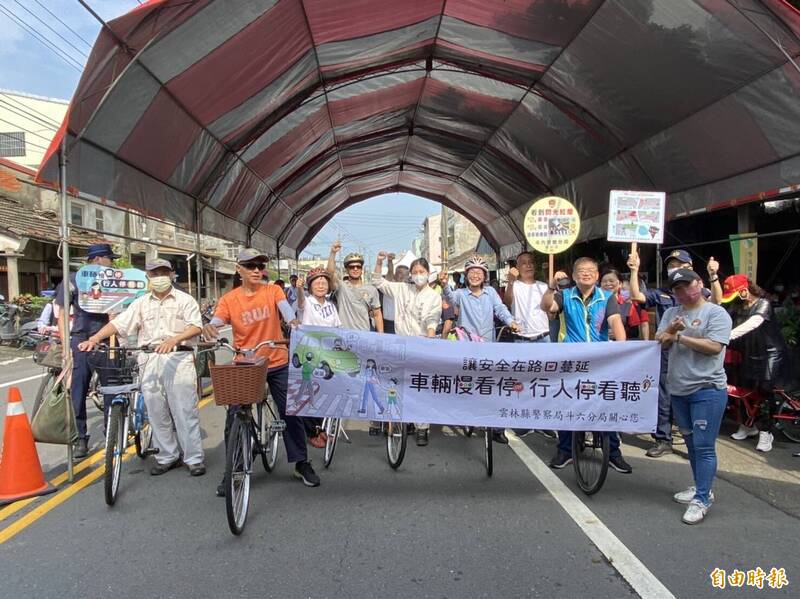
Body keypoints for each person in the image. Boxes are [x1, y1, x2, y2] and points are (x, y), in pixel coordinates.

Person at [203, 249, 319, 490]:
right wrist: (210, 328)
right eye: (250, 266)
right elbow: (217, 321)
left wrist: (292, 322)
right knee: (234, 415)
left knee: (291, 410)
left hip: (276, 359)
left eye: (260, 265)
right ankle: (233, 468)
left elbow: (286, 311)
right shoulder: (229, 299)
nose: (257, 270)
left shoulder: (272, 290)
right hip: (245, 364)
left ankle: (301, 462)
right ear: (239, 269)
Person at [78, 259, 206, 476]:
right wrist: (95, 337)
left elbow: (196, 327)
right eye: (154, 273)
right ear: (148, 277)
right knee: (156, 410)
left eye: (164, 272)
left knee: (184, 409)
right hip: (149, 359)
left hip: (178, 358)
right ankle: (167, 456)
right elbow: (119, 324)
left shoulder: (186, 300)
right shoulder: (141, 303)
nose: (159, 277)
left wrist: (174, 340)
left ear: (172, 275)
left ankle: (193, 458)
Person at [541, 257, 632, 474]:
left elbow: (615, 323)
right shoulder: (565, 295)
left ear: (597, 275)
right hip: (571, 360)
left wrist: (622, 350)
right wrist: (551, 286)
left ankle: (613, 453)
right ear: (573, 276)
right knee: (566, 404)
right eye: (581, 270)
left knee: (605, 404)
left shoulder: (607, 297)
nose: (586, 273)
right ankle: (565, 450)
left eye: (591, 270)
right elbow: (548, 306)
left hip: (600, 361)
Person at [655, 268, 732, 525]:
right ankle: (701, 486)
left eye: (687, 285)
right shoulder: (670, 313)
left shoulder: (715, 313)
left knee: (704, 446)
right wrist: (669, 333)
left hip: (707, 389)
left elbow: (714, 347)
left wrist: (679, 336)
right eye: (677, 288)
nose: (683, 292)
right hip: (678, 389)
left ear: (699, 283)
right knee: (689, 444)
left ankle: (702, 499)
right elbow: (659, 341)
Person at [628, 248, 706, 458]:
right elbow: (636, 296)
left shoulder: (700, 292)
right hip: (666, 351)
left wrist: (714, 276)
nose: (674, 269)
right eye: (671, 266)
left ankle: (695, 443)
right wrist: (634, 270)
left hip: (692, 352)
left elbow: (717, 301)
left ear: (690, 268)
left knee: (692, 395)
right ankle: (663, 439)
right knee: (663, 396)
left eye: (679, 265)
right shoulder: (661, 293)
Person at [441, 255, 519, 444]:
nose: (475, 276)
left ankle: (497, 428)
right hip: (466, 346)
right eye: (472, 272)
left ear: (484, 276)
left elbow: (500, 309)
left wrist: (511, 322)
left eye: (479, 273)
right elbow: (450, 298)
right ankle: (466, 413)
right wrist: (444, 284)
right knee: (466, 382)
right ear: (466, 276)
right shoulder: (460, 293)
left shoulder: (491, 292)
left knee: (493, 385)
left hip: (488, 347)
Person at [54, 243, 118, 459]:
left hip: (108, 338)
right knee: (78, 388)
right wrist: (65, 348)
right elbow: (62, 314)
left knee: (111, 388)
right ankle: (81, 437)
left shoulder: (114, 280)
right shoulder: (73, 280)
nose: (112, 263)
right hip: (80, 339)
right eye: (110, 259)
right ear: (99, 259)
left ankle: (111, 432)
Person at [715, 274, 791, 452]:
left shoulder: (764, 304)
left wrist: (725, 337)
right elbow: (723, 317)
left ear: (745, 291)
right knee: (743, 391)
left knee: (765, 390)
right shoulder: (737, 306)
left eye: (735, 294)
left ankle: (766, 432)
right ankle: (748, 425)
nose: (733, 299)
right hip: (749, 353)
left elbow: (753, 323)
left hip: (771, 354)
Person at [373, 253, 442, 445]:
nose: (418, 275)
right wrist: (379, 262)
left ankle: (422, 427)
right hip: (401, 345)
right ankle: (405, 422)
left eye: (422, 271)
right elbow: (378, 281)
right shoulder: (402, 289)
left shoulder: (434, 296)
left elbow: (432, 319)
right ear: (410, 274)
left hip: (422, 345)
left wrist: (429, 337)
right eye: (415, 272)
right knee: (401, 385)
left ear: (428, 273)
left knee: (420, 387)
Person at [296, 267, 340, 448]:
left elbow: (338, 328)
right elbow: (299, 304)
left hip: (328, 354)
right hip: (310, 353)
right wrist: (299, 289)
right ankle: (311, 431)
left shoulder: (331, 306)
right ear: (310, 286)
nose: (321, 285)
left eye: (324, 282)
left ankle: (319, 428)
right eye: (317, 282)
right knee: (309, 392)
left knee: (324, 391)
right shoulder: (306, 302)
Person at [326, 242, 384, 333]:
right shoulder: (341, 287)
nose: (355, 269)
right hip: (344, 335)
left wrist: (381, 336)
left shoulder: (371, 289)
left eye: (358, 267)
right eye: (352, 267)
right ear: (346, 269)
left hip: (364, 335)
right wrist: (333, 253)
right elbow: (330, 274)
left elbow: (377, 314)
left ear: (362, 269)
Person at [503, 250, 551, 343]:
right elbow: (508, 302)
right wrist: (511, 282)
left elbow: (549, 310)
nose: (528, 265)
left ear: (535, 266)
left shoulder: (543, 286)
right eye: (524, 263)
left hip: (543, 336)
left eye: (531, 262)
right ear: (517, 267)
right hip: (521, 338)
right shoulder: (513, 285)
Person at [600, 268, 649, 341]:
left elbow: (634, 333)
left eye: (611, 281)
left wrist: (619, 333)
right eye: (604, 281)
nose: (608, 284)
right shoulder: (594, 304)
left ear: (620, 284)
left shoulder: (628, 306)